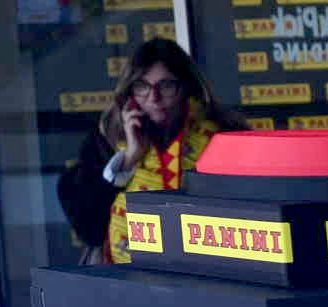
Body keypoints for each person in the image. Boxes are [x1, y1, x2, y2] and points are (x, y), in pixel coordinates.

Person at [57, 38, 229, 263]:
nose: (154, 98)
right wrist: (129, 160)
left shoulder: (223, 136)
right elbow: (89, 229)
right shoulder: (108, 138)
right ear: (130, 92)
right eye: (142, 87)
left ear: (186, 86)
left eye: (166, 85)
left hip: (208, 274)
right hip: (125, 282)